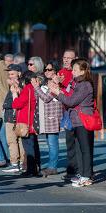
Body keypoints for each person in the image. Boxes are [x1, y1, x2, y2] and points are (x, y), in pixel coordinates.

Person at [49, 58, 94, 187]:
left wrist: (58, 92)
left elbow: (71, 101)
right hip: (76, 120)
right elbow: (68, 97)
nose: (72, 72)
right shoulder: (76, 83)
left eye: (75, 70)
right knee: (79, 149)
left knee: (85, 149)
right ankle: (82, 174)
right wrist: (58, 90)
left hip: (83, 120)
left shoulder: (85, 84)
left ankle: (86, 176)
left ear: (83, 71)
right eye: (73, 69)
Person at [31, 61, 63, 177]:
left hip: (53, 116)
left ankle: (52, 167)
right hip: (45, 116)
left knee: (52, 143)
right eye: (46, 70)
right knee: (50, 143)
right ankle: (51, 165)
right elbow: (37, 97)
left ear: (55, 71)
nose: (47, 72)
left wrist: (36, 87)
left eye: (50, 70)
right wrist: (38, 88)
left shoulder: (56, 82)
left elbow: (46, 98)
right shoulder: (46, 82)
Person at [11, 71, 39, 177]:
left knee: (28, 147)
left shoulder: (28, 89)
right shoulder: (33, 89)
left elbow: (17, 104)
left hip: (25, 122)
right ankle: (33, 169)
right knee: (31, 145)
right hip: (31, 121)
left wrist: (15, 94)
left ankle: (31, 170)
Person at [55, 49, 78, 181]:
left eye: (69, 58)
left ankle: (83, 171)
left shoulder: (77, 73)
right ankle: (71, 170)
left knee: (79, 143)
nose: (66, 60)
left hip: (76, 111)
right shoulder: (61, 72)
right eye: (64, 57)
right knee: (69, 142)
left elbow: (72, 92)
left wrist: (60, 84)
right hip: (66, 111)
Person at [2, 64, 26, 173]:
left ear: (19, 74)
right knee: (18, 140)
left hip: (13, 116)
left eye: (12, 74)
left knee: (12, 141)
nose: (10, 76)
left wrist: (14, 86)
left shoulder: (18, 85)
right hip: (12, 115)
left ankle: (15, 163)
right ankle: (20, 162)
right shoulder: (15, 85)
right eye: (9, 74)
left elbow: (18, 99)